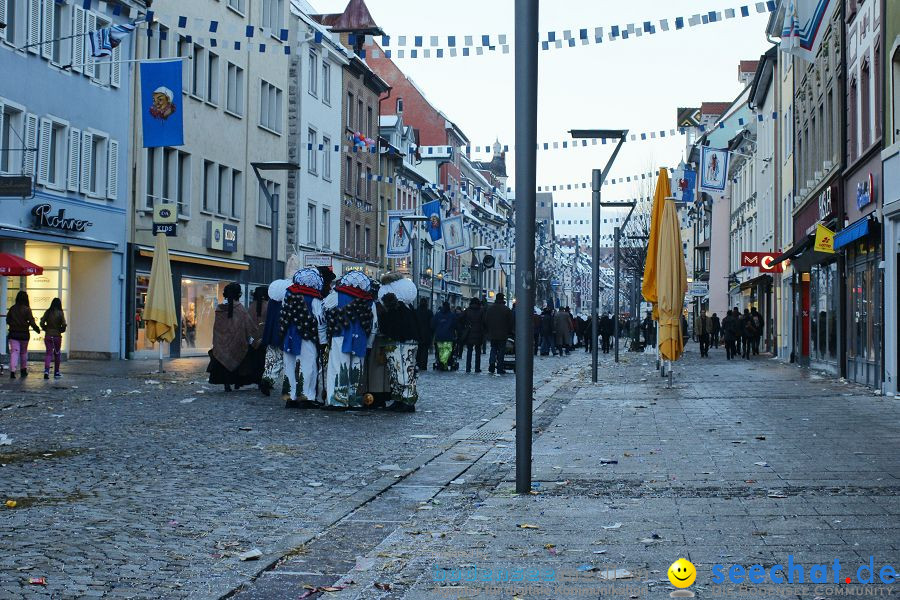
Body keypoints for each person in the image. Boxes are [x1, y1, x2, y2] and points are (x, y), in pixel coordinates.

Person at [323, 272, 378, 408]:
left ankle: (337, 400)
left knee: (338, 367)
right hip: (361, 338)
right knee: (356, 368)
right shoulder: (369, 300)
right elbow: (374, 325)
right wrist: (369, 344)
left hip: (340, 335)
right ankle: (354, 399)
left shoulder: (337, 295)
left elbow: (324, 308)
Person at [280, 269, 327, 408]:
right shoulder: (314, 297)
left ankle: (290, 396)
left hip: (289, 333)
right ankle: (305, 396)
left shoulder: (288, 293)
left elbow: (283, 313)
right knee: (308, 365)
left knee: (290, 365)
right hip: (307, 334)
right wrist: (323, 340)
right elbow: (320, 320)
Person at [377, 274, 420, 412]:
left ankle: (407, 399)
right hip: (400, 342)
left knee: (403, 370)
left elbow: (394, 326)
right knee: (396, 371)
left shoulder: (399, 308)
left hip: (401, 342)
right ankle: (399, 397)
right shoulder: (405, 307)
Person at [207, 283, 257, 391]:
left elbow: (217, 328)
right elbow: (249, 325)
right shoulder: (240, 309)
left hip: (222, 343)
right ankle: (237, 383)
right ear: (238, 295)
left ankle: (226, 384)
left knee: (224, 362)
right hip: (237, 343)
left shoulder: (219, 309)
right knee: (240, 358)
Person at [260, 278, 291, 397]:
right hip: (283, 333)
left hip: (272, 333)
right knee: (283, 360)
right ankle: (274, 381)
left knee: (271, 358)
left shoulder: (272, 301)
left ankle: (266, 378)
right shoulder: (287, 301)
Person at [6, 291, 41, 379]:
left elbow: (7, 320)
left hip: (13, 333)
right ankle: (23, 370)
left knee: (14, 352)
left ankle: (12, 371)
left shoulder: (12, 308)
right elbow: (32, 321)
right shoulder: (27, 309)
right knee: (23, 352)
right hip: (24, 334)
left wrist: (13, 324)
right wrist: (37, 329)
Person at [483, 293, 514, 375]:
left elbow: (486, 320)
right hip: (503, 334)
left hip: (492, 333)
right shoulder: (506, 309)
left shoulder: (490, 309)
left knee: (493, 349)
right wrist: (509, 331)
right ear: (503, 299)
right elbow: (511, 322)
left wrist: (489, 330)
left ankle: (492, 364)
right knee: (501, 351)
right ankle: (500, 367)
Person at [247, 286, 269, 390]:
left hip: (252, 340)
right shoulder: (268, 306)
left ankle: (255, 379)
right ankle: (263, 381)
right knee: (263, 362)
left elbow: (248, 323)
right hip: (264, 339)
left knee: (254, 361)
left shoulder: (251, 306)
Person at [39, 298, 67, 379]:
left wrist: (45, 328)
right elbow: (64, 324)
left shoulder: (48, 312)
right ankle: (56, 372)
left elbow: (41, 322)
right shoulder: (60, 313)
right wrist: (61, 330)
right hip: (57, 336)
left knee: (48, 353)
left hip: (48, 335)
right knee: (57, 354)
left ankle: (46, 371)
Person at [459, 298, 485, 373]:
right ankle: (477, 368)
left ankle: (468, 368)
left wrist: (465, 325)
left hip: (469, 332)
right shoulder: (481, 311)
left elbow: (460, 318)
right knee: (478, 352)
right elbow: (484, 321)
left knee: (469, 351)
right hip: (478, 333)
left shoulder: (467, 310)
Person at [431, 301, 457, 369]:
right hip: (449, 337)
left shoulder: (438, 315)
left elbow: (432, 325)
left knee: (440, 350)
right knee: (447, 350)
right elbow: (456, 325)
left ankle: (441, 362)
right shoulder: (452, 315)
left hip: (439, 337)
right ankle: (445, 362)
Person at [415, 298, 433, 371]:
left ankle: (418, 363)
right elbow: (432, 324)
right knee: (425, 351)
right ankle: (424, 365)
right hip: (427, 334)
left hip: (418, 334)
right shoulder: (429, 312)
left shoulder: (416, 312)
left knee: (419, 349)